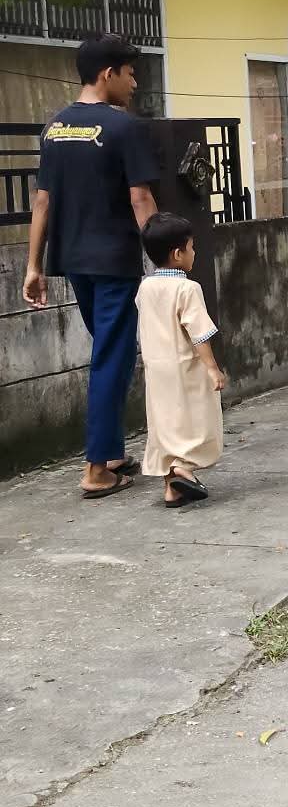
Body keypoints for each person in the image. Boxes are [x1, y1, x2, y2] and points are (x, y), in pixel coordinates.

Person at [23, 34, 158, 497]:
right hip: (114, 261)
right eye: (130, 72)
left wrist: (32, 267)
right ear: (108, 74)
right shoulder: (121, 127)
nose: (134, 81)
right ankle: (97, 469)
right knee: (110, 358)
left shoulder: (56, 128)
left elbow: (43, 201)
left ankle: (113, 453)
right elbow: (140, 197)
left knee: (111, 354)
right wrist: (168, 264)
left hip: (73, 261)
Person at [136, 212, 226, 508]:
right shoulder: (188, 289)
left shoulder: (145, 288)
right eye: (191, 247)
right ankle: (183, 469)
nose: (194, 252)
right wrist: (212, 368)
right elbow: (199, 333)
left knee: (165, 423)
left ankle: (172, 489)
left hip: (156, 368)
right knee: (194, 420)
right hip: (186, 366)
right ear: (178, 254)